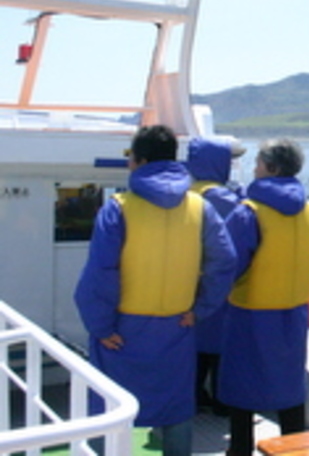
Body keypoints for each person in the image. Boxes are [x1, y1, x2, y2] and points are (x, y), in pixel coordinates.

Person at [74, 125, 237, 456]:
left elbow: (101, 272)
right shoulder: (199, 207)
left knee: (110, 410)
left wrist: (100, 326)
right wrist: (200, 309)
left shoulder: (117, 208)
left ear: (140, 161)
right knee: (176, 411)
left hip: (122, 331)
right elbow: (225, 261)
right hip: (177, 327)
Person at [217, 138, 309, 456]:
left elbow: (227, 265)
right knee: (290, 387)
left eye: (258, 163)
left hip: (250, 314)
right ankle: (295, 448)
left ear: (271, 168)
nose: (254, 168)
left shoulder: (248, 213)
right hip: (294, 314)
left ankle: (240, 449)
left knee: (242, 389)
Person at [185, 137, 246, 415]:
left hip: (189, 281)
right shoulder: (222, 198)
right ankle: (224, 401)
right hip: (218, 282)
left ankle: (194, 397)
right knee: (221, 345)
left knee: (196, 345)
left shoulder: (186, 194)